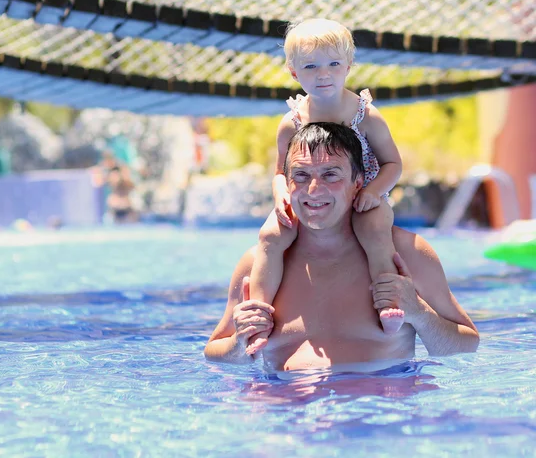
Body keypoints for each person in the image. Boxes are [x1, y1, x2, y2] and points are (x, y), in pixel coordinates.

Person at [204, 123, 479, 372]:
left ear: (357, 183)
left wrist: (419, 312)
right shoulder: (261, 261)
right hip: (286, 418)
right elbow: (215, 352)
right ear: (286, 184)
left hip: (378, 414)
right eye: (300, 176)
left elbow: (465, 345)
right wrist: (239, 343)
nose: (313, 189)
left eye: (330, 175)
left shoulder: (406, 253)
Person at [248, 19, 404, 355]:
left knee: (375, 230)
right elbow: (280, 170)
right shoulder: (292, 122)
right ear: (293, 72)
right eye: (311, 66)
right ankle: (257, 317)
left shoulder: (365, 115)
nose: (323, 74)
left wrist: (374, 192)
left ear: (348, 66)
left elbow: (393, 163)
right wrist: (281, 194)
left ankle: (387, 305)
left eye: (334, 64)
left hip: (362, 195)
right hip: (311, 201)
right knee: (270, 236)